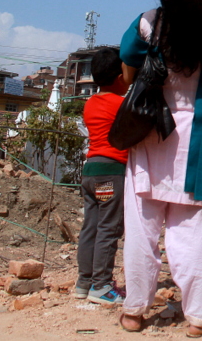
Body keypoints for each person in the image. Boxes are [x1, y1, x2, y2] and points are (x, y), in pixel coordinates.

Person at [118, 0, 202, 337]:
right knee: (200, 233)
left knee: (141, 228)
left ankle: (134, 311)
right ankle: (201, 316)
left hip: (152, 135)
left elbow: (127, 76)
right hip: (199, 143)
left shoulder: (148, 22)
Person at [75, 47, 129, 304]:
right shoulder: (122, 104)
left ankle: (84, 283)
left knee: (90, 227)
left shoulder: (90, 103)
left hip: (90, 172)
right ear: (121, 76)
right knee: (109, 228)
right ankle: (102, 286)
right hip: (111, 173)